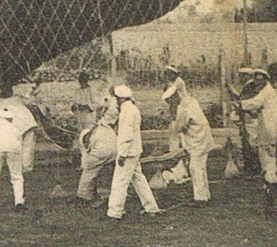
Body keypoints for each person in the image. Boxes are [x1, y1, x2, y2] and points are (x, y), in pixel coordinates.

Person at [106, 85, 164, 220]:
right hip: (134, 151)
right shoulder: (132, 109)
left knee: (119, 182)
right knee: (139, 180)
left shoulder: (126, 112)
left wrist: (122, 154)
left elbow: (127, 135)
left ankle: (114, 212)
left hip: (128, 152)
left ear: (119, 99)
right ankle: (152, 208)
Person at [163, 89, 215, 204]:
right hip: (202, 137)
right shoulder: (191, 101)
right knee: (200, 167)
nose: (170, 104)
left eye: (170, 101)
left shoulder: (182, 108)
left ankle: (200, 198)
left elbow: (179, 127)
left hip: (197, 139)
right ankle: (205, 195)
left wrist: (174, 118)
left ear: (174, 97)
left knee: (195, 168)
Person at [240, 69, 277, 184]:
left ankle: (273, 180)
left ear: (265, 80)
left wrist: (240, 104)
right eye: (256, 80)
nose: (257, 83)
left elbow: (256, 102)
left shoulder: (267, 90)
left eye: (260, 80)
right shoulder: (264, 90)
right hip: (271, 124)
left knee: (268, 152)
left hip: (274, 125)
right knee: (270, 152)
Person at [76, 90, 118, 205]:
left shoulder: (110, 103)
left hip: (103, 138)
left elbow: (100, 107)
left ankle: (83, 196)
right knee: (102, 169)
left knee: (90, 169)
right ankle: (102, 194)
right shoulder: (115, 105)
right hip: (109, 137)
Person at [227, 67, 262, 175]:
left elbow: (244, 101)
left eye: (242, 75)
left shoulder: (250, 86)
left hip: (249, 117)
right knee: (249, 142)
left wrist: (232, 92)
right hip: (248, 117)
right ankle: (252, 167)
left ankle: (252, 168)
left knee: (250, 142)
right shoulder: (251, 86)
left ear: (248, 76)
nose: (240, 77)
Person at [0, 88, 39, 174]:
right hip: (28, 122)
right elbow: (29, 101)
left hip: (18, 125)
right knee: (28, 145)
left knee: (19, 146)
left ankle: (21, 166)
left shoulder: (1, 103)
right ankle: (26, 166)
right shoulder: (17, 98)